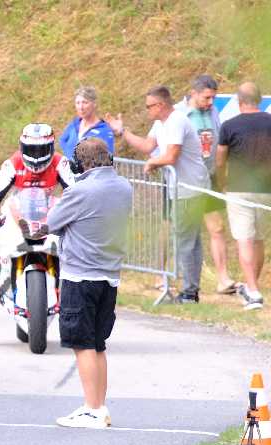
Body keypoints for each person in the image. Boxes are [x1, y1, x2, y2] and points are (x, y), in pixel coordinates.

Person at [47, 138, 133, 428]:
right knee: (97, 344)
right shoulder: (124, 187)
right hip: (109, 275)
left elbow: (53, 222)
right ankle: (98, 406)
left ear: (78, 164)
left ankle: (92, 408)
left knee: (82, 343)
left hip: (80, 275)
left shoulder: (79, 191)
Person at [0, 122, 75, 345]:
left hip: (49, 219)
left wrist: (76, 216)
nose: (36, 156)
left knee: (78, 263)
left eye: (41, 150)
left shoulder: (61, 163)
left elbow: (76, 192)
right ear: (22, 147)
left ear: (50, 147)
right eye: (31, 150)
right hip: (17, 219)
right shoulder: (12, 164)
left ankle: (81, 322)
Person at [107, 85, 210, 303]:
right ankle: (191, 290)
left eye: (149, 106)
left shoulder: (176, 121)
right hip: (178, 187)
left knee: (185, 240)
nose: (147, 110)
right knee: (189, 239)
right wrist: (122, 131)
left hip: (189, 188)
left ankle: (189, 293)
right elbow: (147, 146)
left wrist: (153, 162)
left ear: (161, 105)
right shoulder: (160, 123)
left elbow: (171, 156)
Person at [175, 75, 236, 294]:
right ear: (194, 93)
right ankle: (162, 275)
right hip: (184, 181)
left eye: (213, 98)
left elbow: (219, 143)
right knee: (173, 229)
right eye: (207, 98)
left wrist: (221, 174)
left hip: (208, 178)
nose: (210, 102)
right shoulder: (177, 114)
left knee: (217, 227)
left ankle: (223, 279)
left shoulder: (213, 112)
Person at [216, 82, 271, 311]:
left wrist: (222, 182)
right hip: (266, 189)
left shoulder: (229, 126)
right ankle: (251, 287)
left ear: (239, 102)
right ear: (259, 100)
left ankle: (254, 292)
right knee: (258, 239)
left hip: (239, 188)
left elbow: (220, 159)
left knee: (244, 240)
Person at [57, 85, 115, 158]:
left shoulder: (104, 130)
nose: (81, 107)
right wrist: (70, 157)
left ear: (94, 104)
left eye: (85, 102)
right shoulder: (74, 124)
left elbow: (107, 158)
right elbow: (62, 141)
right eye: (78, 103)